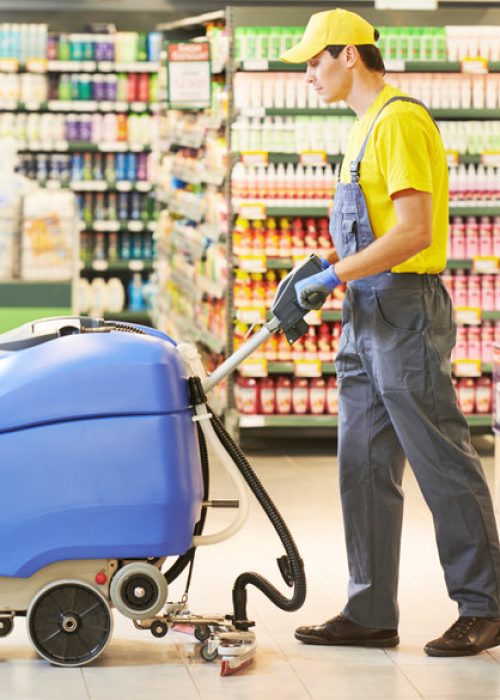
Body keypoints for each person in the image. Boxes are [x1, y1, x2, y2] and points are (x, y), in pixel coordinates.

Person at [281, 8, 500, 657]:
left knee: (440, 459)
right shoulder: (361, 129)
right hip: (365, 313)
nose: (310, 76)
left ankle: (485, 605)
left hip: (404, 310)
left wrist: (333, 275)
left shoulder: (399, 119)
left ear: (350, 54)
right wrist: (318, 273)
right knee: (363, 463)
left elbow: (413, 233)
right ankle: (370, 609)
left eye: (316, 61)